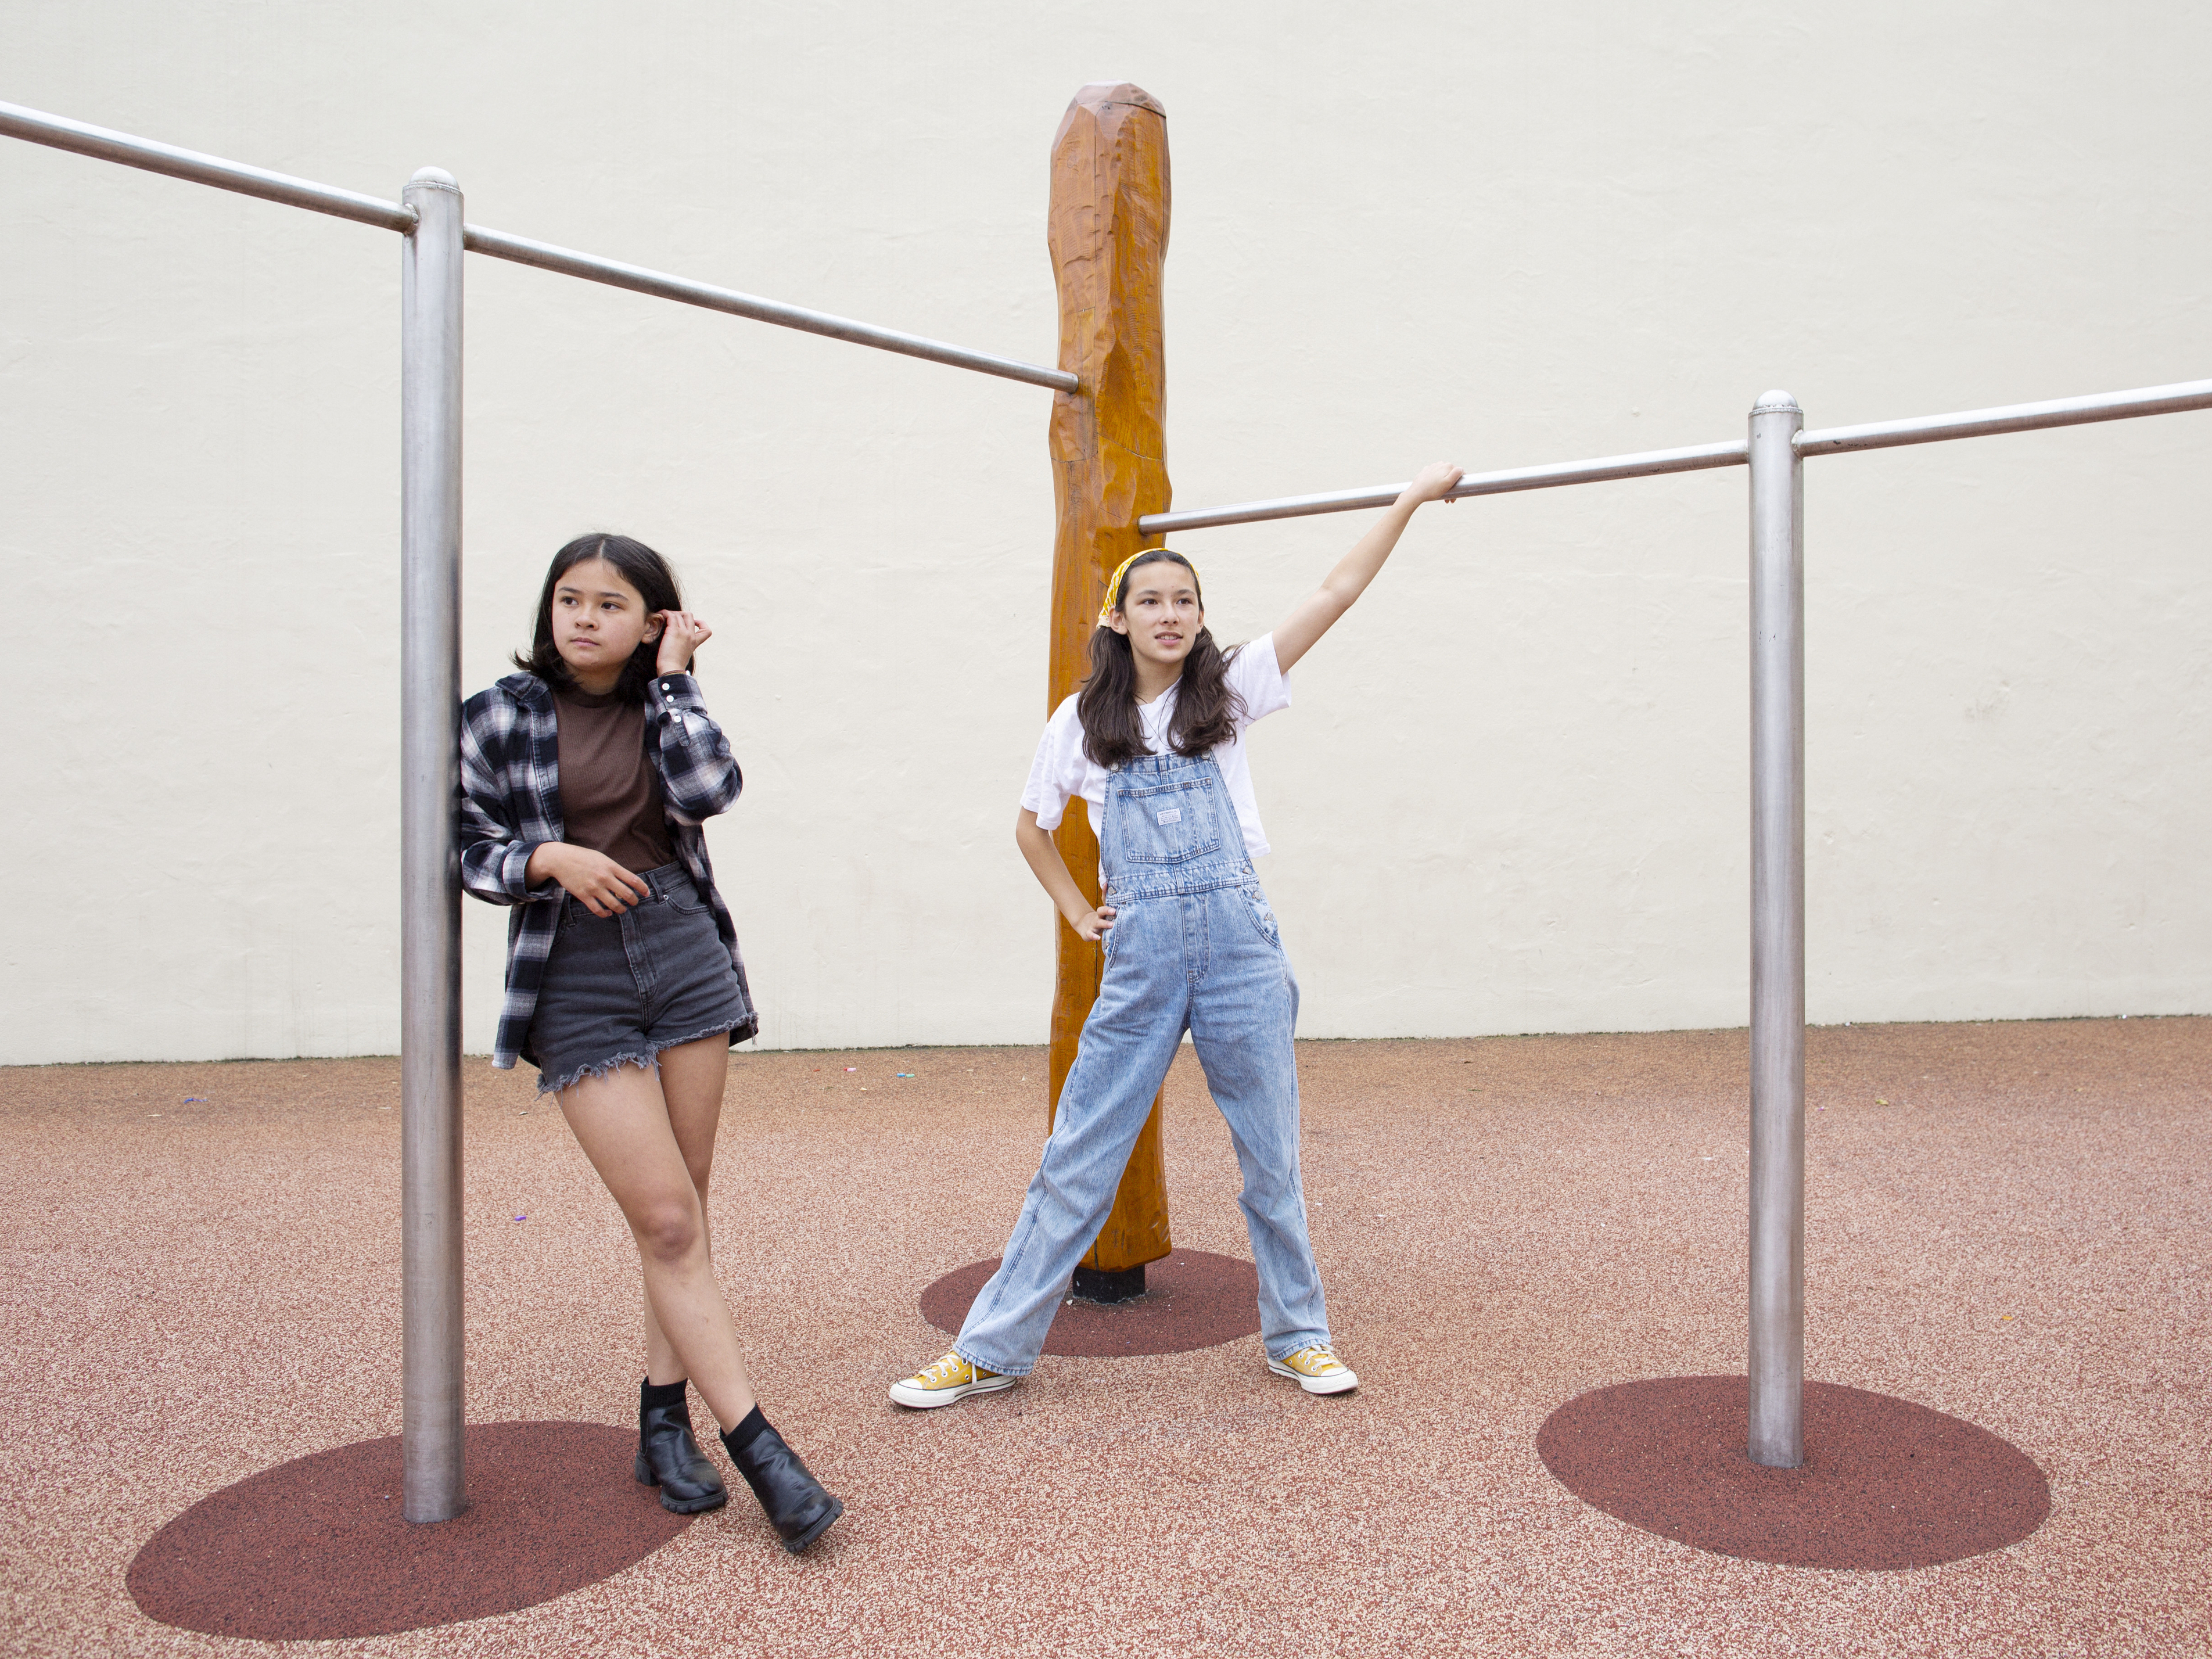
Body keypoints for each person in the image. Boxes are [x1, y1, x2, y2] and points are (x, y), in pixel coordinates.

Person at [890, 463, 1465, 1410]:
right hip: (1144, 956)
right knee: (1079, 1154)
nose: (1170, 613)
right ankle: (990, 1348)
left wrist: (1403, 504)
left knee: (1270, 1155)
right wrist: (1079, 912)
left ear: (1202, 616)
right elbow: (1031, 827)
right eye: (1150, 599)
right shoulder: (1082, 719)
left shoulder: (1231, 691)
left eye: (1186, 600)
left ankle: (1299, 1336)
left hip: (1241, 948)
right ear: (1118, 618)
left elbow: (1336, 591)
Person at [458, 533, 841, 1553]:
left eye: (612, 604)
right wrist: (548, 855)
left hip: (681, 950)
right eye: (569, 599)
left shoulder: (661, 703)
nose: (584, 618)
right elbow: (467, 846)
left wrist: (675, 685)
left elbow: (711, 791)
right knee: (668, 1217)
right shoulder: (498, 713)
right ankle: (759, 1446)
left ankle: (661, 1421)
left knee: (685, 1206)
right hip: (575, 976)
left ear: (654, 620)